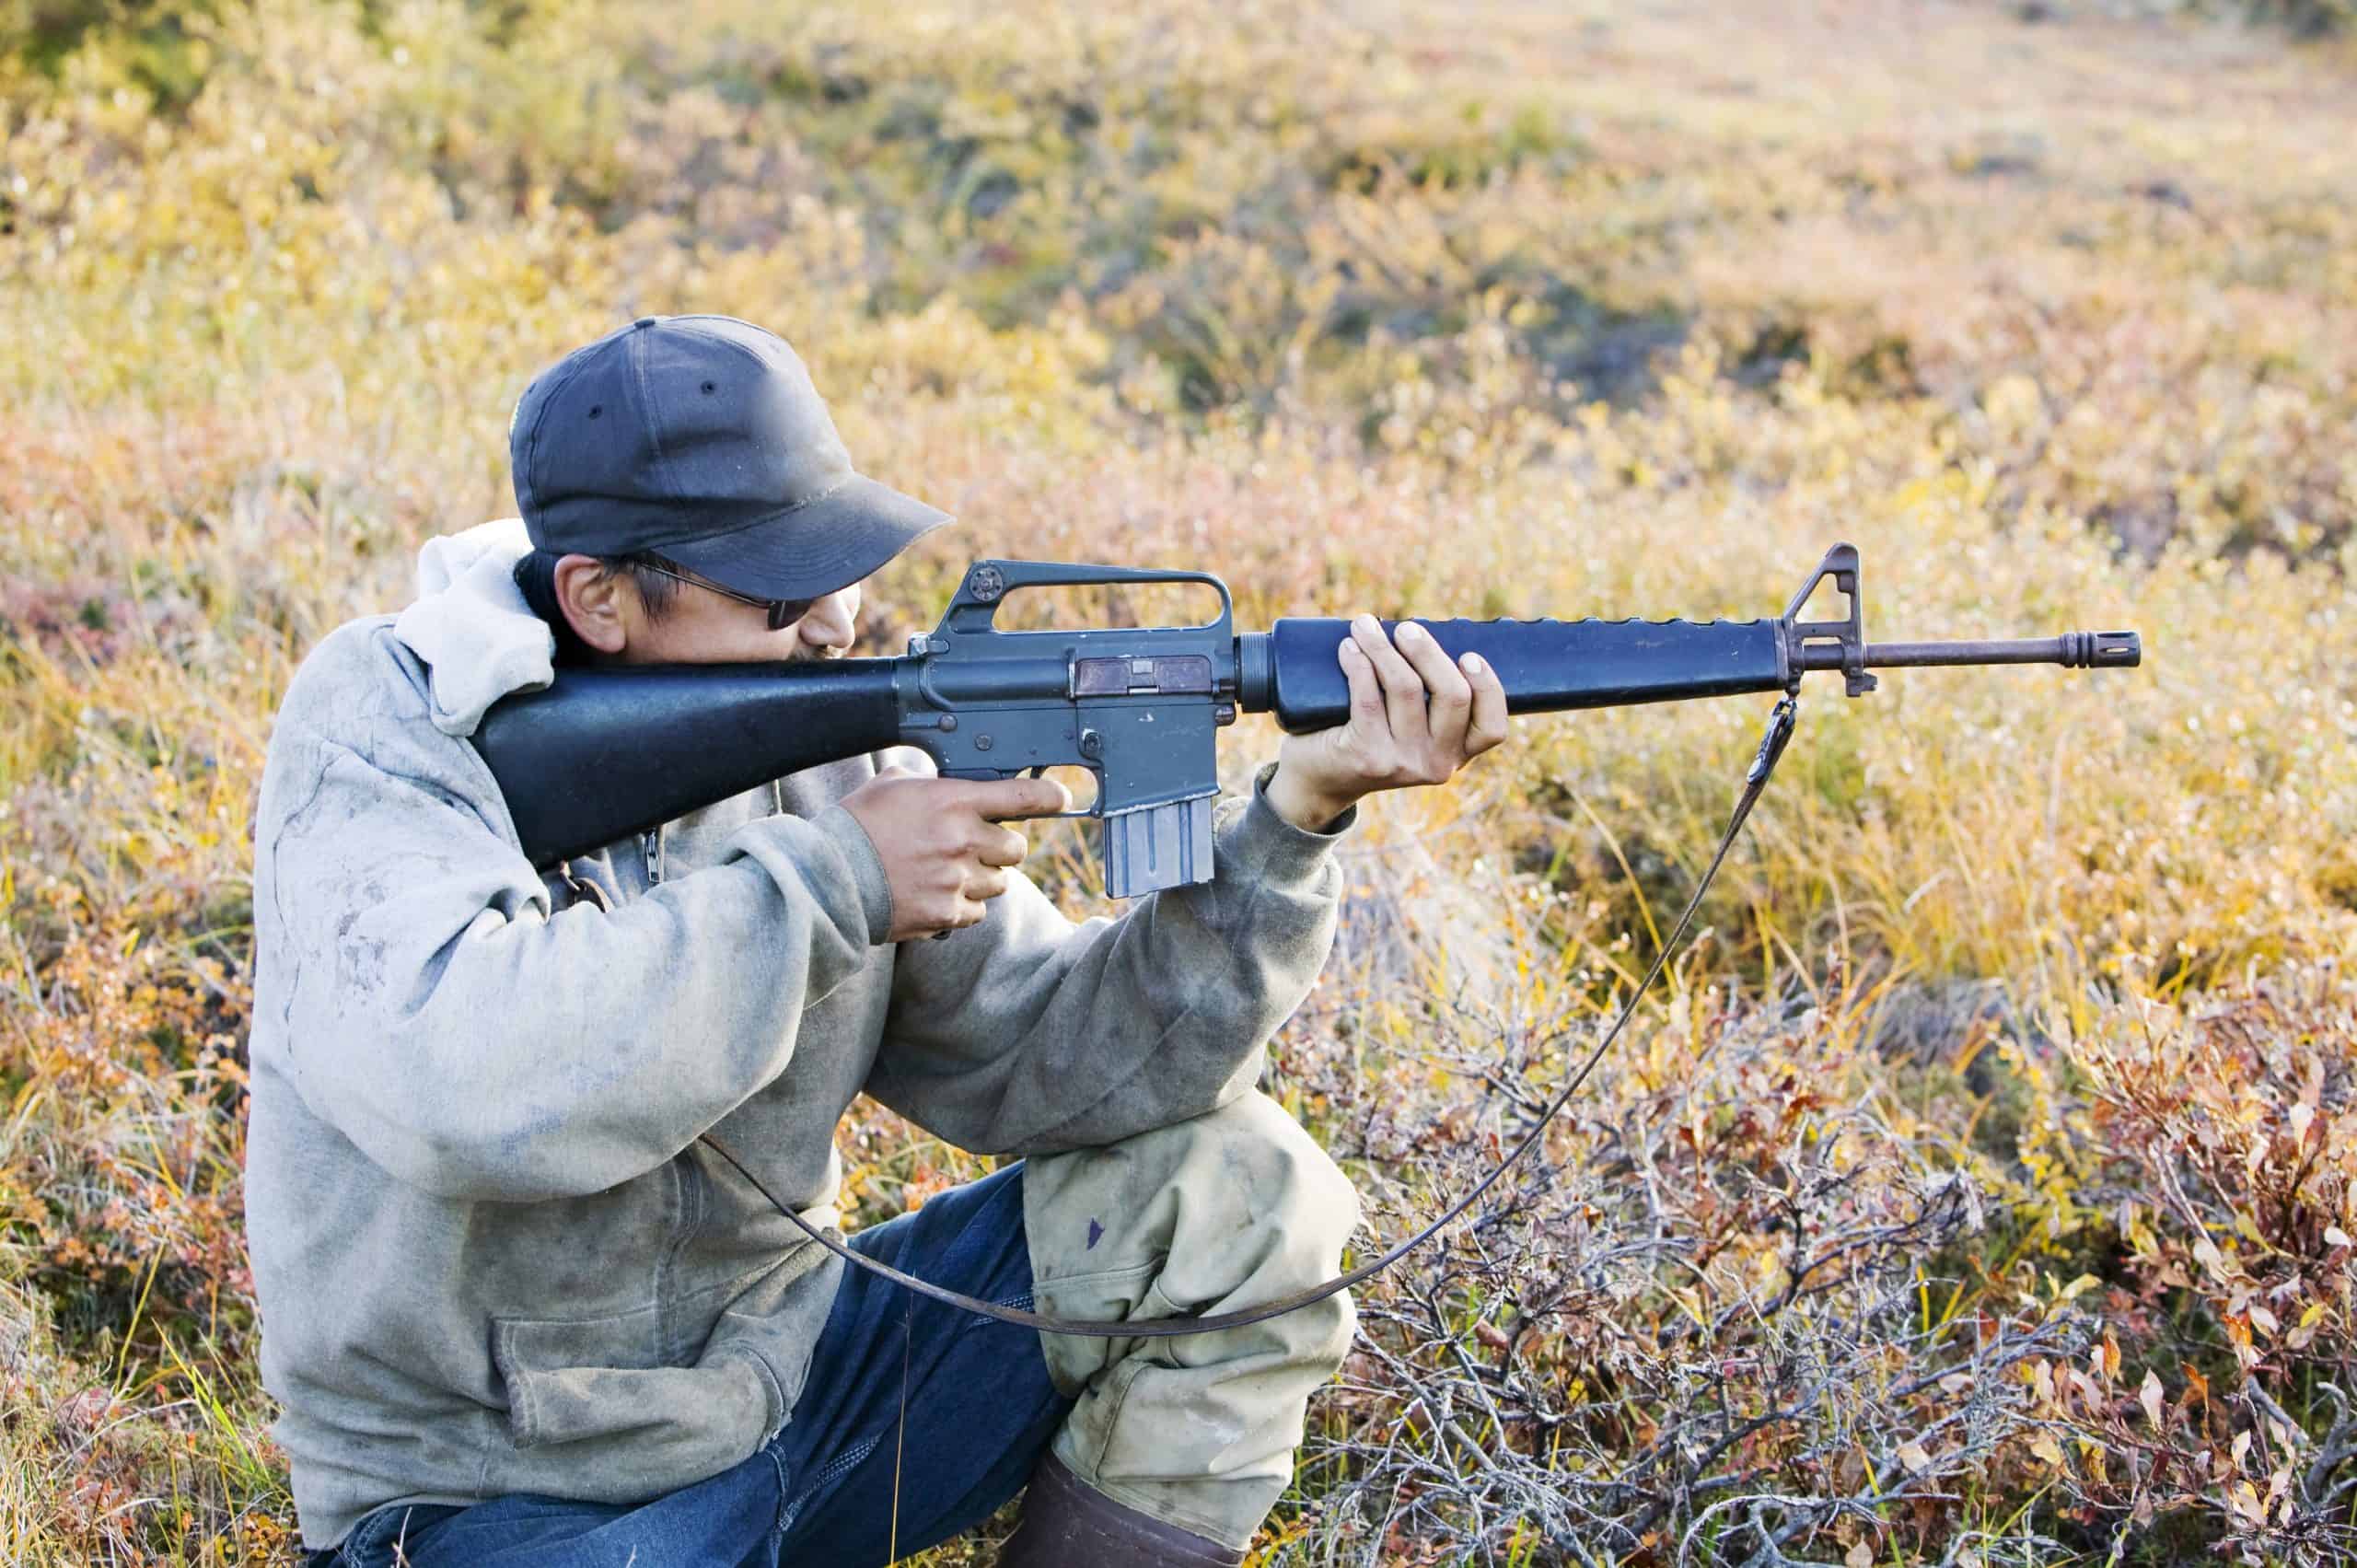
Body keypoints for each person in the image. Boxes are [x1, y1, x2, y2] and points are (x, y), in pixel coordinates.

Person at [245, 314, 1509, 1568]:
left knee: (1229, 1197)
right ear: (601, 599)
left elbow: (1063, 1063)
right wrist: (844, 877)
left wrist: (1294, 819)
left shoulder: (821, 731)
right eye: (785, 586)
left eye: (840, 561)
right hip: (486, 1492)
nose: (840, 620)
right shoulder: (394, 729)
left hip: (794, 1388)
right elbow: (460, 1082)